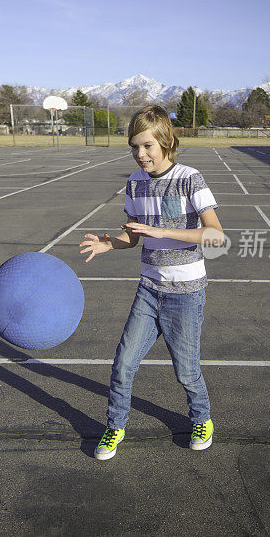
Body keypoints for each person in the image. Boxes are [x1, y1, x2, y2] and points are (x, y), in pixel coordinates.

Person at [79, 104, 225, 460]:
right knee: (123, 363)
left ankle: (202, 418)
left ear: (167, 142)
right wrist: (110, 243)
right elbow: (134, 236)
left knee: (186, 371)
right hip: (148, 289)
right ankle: (114, 426)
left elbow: (217, 237)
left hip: (186, 293)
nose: (140, 154)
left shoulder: (190, 178)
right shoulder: (134, 183)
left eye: (147, 146)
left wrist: (161, 230)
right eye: (134, 146)